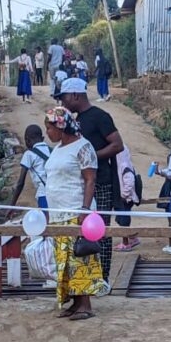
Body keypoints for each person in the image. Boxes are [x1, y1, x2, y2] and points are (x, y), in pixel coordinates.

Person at [44, 106, 109, 320]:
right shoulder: (57, 149)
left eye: (50, 127)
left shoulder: (83, 147)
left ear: (61, 127)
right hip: (58, 214)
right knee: (65, 261)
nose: (48, 132)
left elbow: (90, 179)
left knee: (79, 259)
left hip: (75, 212)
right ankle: (74, 301)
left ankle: (86, 304)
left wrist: (84, 209)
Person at [57, 78, 124, 282]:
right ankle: (87, 278)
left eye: (64, 98)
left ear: (75, 95)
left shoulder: (100, 117)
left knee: (100, 230)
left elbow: (117, 145)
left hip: (101, 182)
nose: (63, 102)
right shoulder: (76, 120)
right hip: (83, 184)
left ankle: (102, 278)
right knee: (83, 231)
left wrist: (92, 158)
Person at [8, 124, 51, 213]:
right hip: (58, 193)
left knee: (46, 223)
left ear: (27, 140)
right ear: (42, 138)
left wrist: (12, 206)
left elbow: (20, 183)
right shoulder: (52, 150)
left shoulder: (29, 154)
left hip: (44, 194)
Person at [114, 144, 140, 252]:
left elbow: (130, 181)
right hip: (125, 197)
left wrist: (124, 195)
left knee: (123, 219)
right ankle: (132, 238)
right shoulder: (123, 164)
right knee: (120, 218)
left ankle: (126, 243)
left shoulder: (124, 165)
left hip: (126, 198)